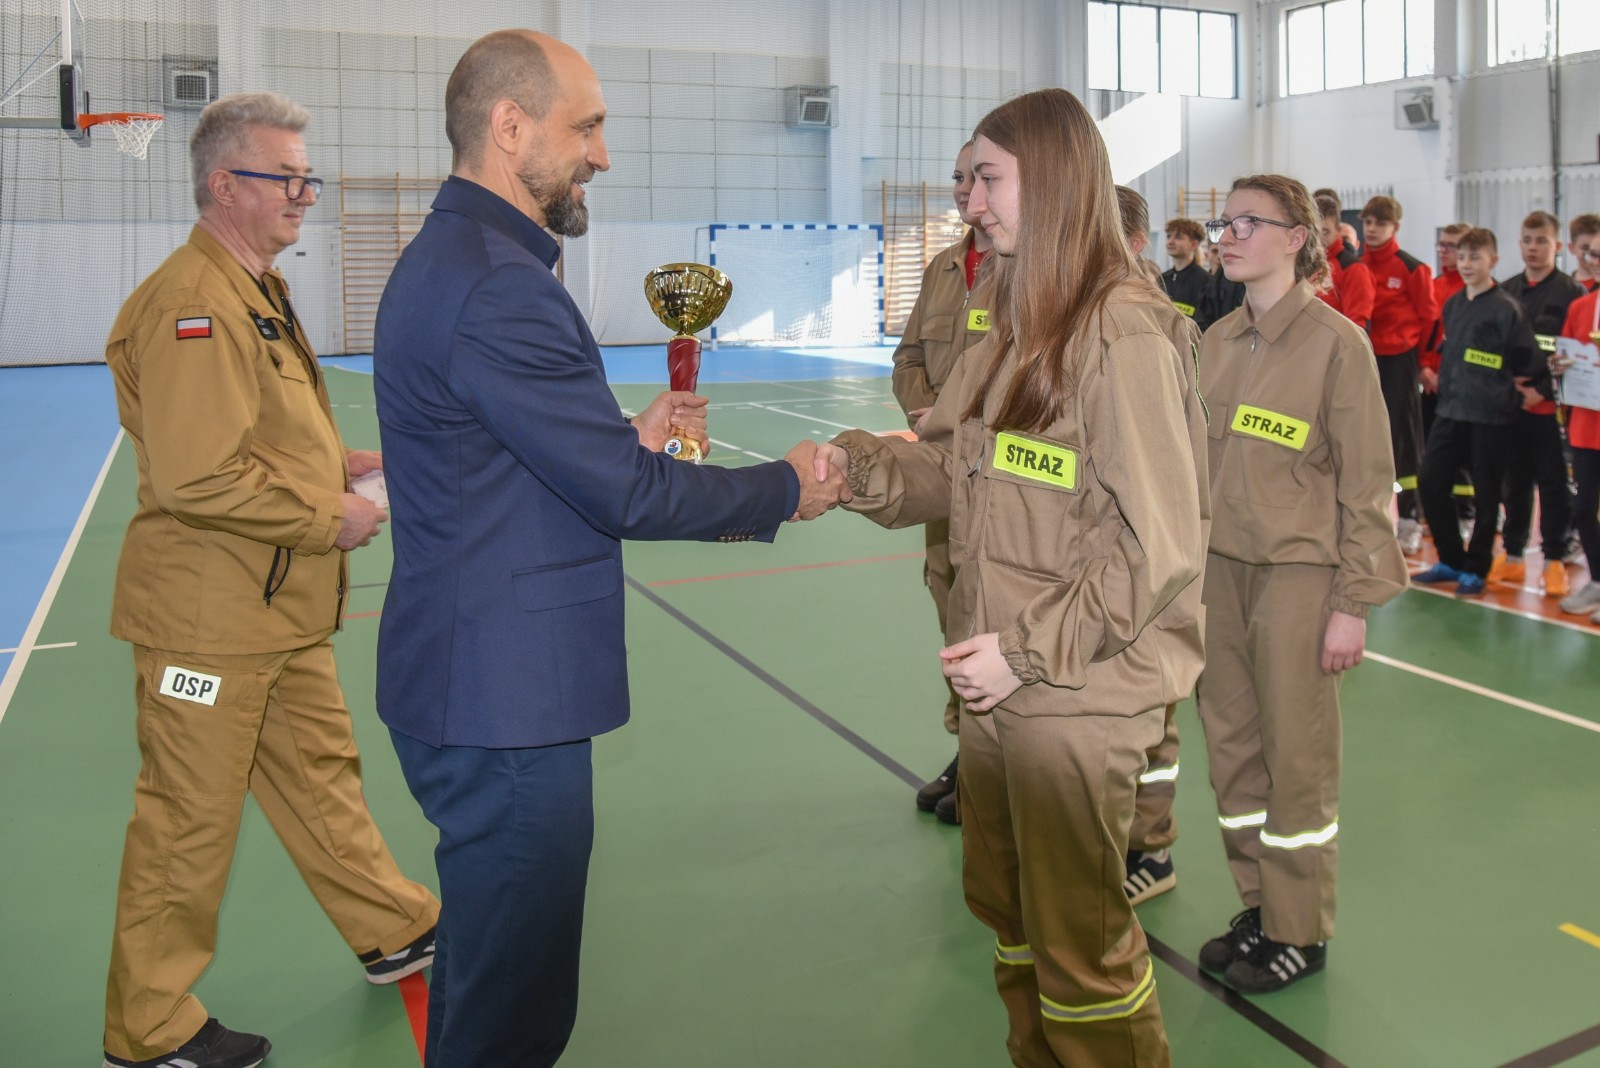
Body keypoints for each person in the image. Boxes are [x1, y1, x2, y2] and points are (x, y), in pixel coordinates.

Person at [371, 30, 845, 1068]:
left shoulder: (459, 259)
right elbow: (624, 495)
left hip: (474, 685)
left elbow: (509, 460)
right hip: (503, 706)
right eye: (585, 126)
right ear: (510, 127)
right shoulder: (499, 284)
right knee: (512, 1017)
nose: (602, 154)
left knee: (489, 978)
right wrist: (786, 486)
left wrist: (616, 435)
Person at [818, 87, 1208, 1068]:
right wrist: (851, 470)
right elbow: (956, 466)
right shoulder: (1015, 322)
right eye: (970, 181)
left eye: (988, 178)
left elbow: (1157, 546)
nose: (971, 201)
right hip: (995, 678)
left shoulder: (1121, 332)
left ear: (1056, 181)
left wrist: (1025, 654)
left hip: (1075, 689)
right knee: (1009, 913)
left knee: (1081, 949)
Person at [99, 92, 442, 1068]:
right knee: (187, 818)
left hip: (273, 611)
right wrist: (329, 516)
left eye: (306, 177)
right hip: (207, 628)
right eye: (284, 177)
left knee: (320, 778)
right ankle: (148, 1030)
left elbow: (253, 435)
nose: (305, 194)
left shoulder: (253, 287)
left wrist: (337, 465)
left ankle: (394, 927)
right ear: (224, 186)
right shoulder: (196, 305)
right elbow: (196, 474)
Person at [1196, 176, 1407, 994]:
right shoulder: (1216, 341)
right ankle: (1259, 904)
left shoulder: (1336, 344)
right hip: (1220, 573)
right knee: (1234, 753)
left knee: (1297, 756)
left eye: (1249, 222)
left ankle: (1299, 929)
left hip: (1299, 578)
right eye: (1225, 222)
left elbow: (1369, 483)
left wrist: (1352, 603)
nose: (1229, 235)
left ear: (1296, 238)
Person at [894, 140, 994, 825]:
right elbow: (907, 358)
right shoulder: (942, 269)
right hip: (941, 474)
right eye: (958, 176)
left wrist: (953, 416)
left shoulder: (1025, 270)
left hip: (1001, 478)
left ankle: (994, 764)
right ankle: (969, 750)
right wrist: (923, 413)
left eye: (979, 176)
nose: (964, 189)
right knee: (951, 609)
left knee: (992, 614)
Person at [1411, 228, 1541, 597]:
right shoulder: (1453, 304)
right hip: (1450, 411)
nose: (1467, 264)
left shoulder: (1507, 308)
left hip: (1491, 418)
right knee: (1430, 481)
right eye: (1462, 256)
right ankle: (1451, 559)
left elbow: (1527, 363)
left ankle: (1477, 565)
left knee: (1487, 496)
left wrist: (1518, 394)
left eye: (1475, 257)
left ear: (1493, 261)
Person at [1492, 210, 1583, 596]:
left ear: (1557, 246)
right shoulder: (1505, 290)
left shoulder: (1572, 293)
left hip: (1551, 409)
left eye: (1541, 241)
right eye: (1527, 240)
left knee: (1553, 486)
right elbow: (1495, 346)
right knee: (1514, 484)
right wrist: (1512, 390)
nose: (1533, 248)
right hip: (1512, 406)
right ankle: (1512, 556)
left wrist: (1541, 391)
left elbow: (1575, 354)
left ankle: (1554, 562)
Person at [1360, 195, 1438, 554]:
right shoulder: (1358, 265)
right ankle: (1367, 519)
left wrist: (1426, 363)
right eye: (1368, 222)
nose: (1372, 229)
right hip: (1364, 359)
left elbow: (1430, 320)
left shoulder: (1412, 268)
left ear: (1395, 227)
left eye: (1381, 223)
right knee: (1363, 439)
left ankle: (1410, 520)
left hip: (1400, 362)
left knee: (1403, 440)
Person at [1552, 282, 1600, 620]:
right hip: (1586, 425)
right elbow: (1566, 354)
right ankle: (1597, 581)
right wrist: (1559, 366)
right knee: (1584, 510)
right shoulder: (1581, 307)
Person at [1313, 193, 1375, 330]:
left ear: (1338, 230)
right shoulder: (1303, 265)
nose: (1318, 239)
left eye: (1325, 232)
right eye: (1314, 231)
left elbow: (1357, 326)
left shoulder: (1353, 268)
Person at [1161, 216, 1211, 322]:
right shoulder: (1163, 279)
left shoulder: (1205, 281)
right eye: (1169, 236)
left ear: (1193, 244)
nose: (1170, 241)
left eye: (1178, 237)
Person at [1570, 213, 1600, 293]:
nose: (1590, 255)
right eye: (1585, 248)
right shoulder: (1563, 287)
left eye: (1596, 249)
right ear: (1572, 248)